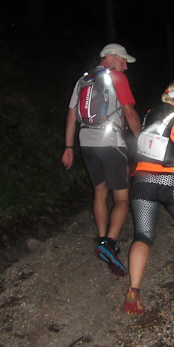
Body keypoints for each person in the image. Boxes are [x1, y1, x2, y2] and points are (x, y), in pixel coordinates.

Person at [124, 80, 174, 315]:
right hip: (168, 180)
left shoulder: (151, 113)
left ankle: (133, 291)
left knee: (143, 235)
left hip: (142, 179)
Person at [61, 43, 141, 276]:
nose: (125, 66)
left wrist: (68, 147)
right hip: (111, 142)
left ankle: (104, 239)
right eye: (123, 61)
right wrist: (143, 141)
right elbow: (130, 113)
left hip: (86, 142)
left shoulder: (83, 79)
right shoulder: (116, 77)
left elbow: (71, 116)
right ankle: (109, 243)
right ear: (110, 57)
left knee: (99, 192)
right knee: (122, 198)